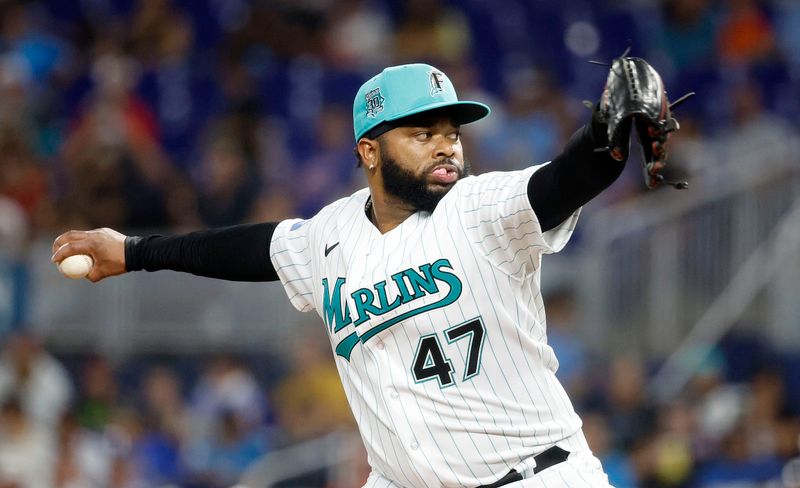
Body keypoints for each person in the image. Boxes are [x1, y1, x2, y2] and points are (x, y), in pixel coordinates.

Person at [52, 63, 639, 487]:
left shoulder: (481, 206)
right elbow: (252, 249)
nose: (446, 149)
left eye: (452, 133)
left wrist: (606, 137)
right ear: (370, 152)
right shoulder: (332, 235)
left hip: (535, 477)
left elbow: (563, 181)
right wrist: (134, 251)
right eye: (422, 133)